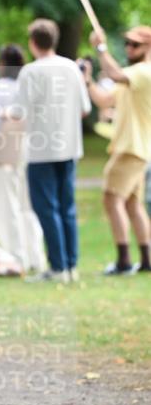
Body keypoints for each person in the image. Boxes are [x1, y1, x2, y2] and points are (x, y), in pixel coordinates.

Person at [16, 19, 91, 283]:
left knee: (46, 207)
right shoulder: (71, 68)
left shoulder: (30, 72)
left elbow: (19, 111)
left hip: (41, 150)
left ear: (33, 42)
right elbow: (84, 108)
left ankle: (58, 266)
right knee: (67, 207)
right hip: (69, 147)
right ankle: (70, 264)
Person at [82, 23, 151, 275]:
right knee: (133, 205)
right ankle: (146, 260)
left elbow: (114, 74)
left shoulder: (144, 72)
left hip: (130, 148)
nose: (129, 48)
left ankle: (123, 261)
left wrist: (100, 47)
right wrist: (88, 81)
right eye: (127, 43)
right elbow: (104, 100)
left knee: (111, 199)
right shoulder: (132, 76)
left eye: (135, 44)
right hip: (136, 149)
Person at [0, 44, 46, 273]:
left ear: (3, 64)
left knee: (6, 206)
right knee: (27, 206)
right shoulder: (29, 87)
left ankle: (15, 256)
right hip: (30, 150)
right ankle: (35, 256)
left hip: (5, 150)